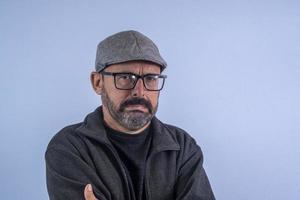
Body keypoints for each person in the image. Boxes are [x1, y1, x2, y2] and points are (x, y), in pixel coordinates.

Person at [45, 30, 215, 200]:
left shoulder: (182, 148)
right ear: (98, 83)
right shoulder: (69, 149)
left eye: (150, 78)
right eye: (125, 77)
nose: (139, 92)